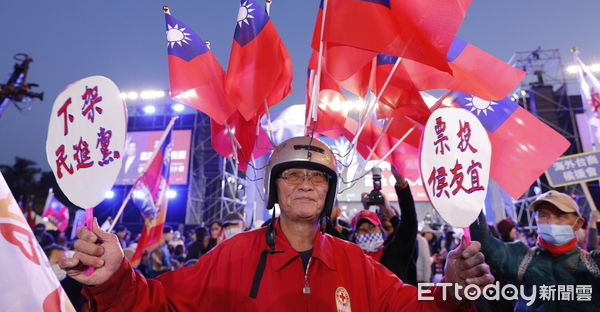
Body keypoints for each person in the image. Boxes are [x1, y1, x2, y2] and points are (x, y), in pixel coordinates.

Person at [61, 136, 494, 311]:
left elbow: (412, 308)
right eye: (292, 174)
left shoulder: (355, 263)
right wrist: (114, 278)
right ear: (275, 188)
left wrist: (451, 292)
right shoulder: (232, 256)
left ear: (328, 192)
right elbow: (160, 302)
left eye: (316, 177)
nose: (305, 185)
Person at [470, 190, 600, 311]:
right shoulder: (521, 258)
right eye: (543, 215)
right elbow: (486, 245)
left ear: (578, 223)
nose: (551, 222)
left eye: (561, 216)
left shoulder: (592, 264)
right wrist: (471, 200)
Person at [353, 166, 418, 284]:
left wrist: (401, 184)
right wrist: (366, 210)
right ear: (355, 235)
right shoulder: (352, 260)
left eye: (372, 227)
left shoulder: (393, 254)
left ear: (380, 230)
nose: (368, 232)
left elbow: (409, 223)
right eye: (362, 229)